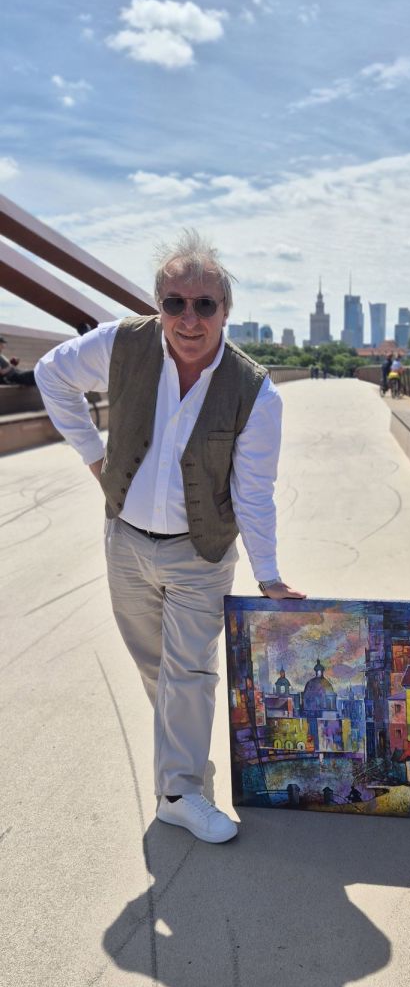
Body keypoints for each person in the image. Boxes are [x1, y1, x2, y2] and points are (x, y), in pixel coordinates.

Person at [35, 229, 305, 845]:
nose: (189, 318)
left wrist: (267, 574)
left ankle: (179, 792)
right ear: (158, 306)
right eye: (175, 303)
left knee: (190, 673)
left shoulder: (255, 391)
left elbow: (254, 491)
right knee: (156, 669)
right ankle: (183, 765)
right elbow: (52, 375)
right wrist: (94, 456)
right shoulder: (122, 344)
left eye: (204, 304)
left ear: (225, 311)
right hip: (125, 543)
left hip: (199, 554)